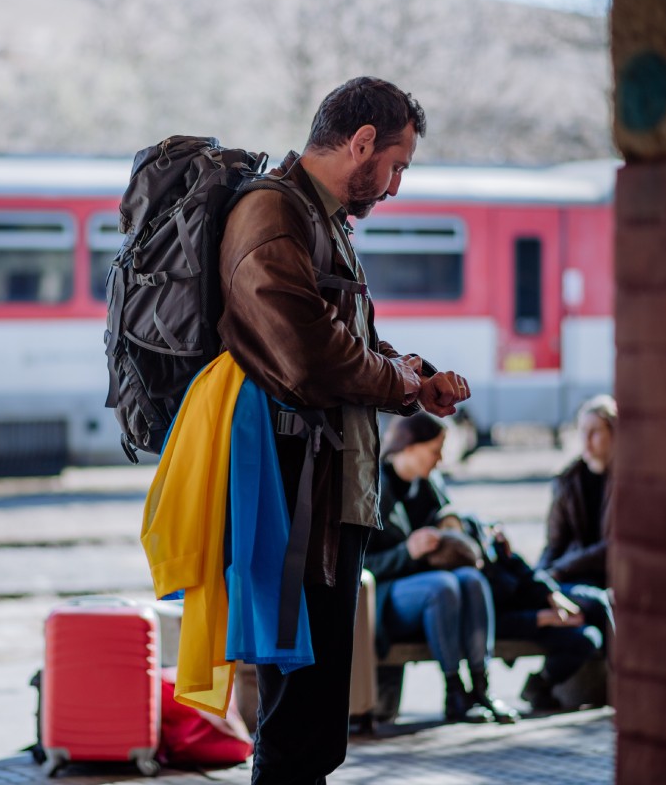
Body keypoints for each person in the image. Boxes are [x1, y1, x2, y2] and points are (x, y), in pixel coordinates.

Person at [216, 76, 471, 784]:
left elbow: (352, 343)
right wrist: (405, 385)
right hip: (297, 501)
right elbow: (309, 357)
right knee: (297, 726)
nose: (393, 186)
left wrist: (413, 373)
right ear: (361, 143)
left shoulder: (320, 221)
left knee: (316, 725)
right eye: (395, 165)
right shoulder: (274, 215)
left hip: (326, 499)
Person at [364, 412, 518, 725]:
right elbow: (361, 565)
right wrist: (407, 551)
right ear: (409, 446)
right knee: (443, 586)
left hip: (437, 594)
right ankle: (454, 690)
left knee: (471, 579)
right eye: (435, 449)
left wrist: (456, 527)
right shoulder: (372, 487)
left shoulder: (429, 483)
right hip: (389, 595)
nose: (440, 458)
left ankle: (480, 687)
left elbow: (450, 516)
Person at [433, 507, 603, 713]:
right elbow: (492, 623)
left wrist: (552, 595)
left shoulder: (487, 547)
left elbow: (522, 570)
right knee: (586, 633)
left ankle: (542, 684)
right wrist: (544, 618)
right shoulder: (465, 580)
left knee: (593, 617)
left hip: (532, 609)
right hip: (517, 623)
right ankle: (526, 687)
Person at [538, 395, 617, 648]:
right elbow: (554, 543)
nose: (586, 440)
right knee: (569, 607)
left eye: (594, 432)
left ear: (615, 434)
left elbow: (614, 547)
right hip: (576, 576)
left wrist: (562, 568)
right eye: (582, 431)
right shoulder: (568, 480)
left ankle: (545, 680)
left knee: (598, 605)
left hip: (613, 575)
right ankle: (544, 680)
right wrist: (539, 580)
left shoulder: (630, 480)